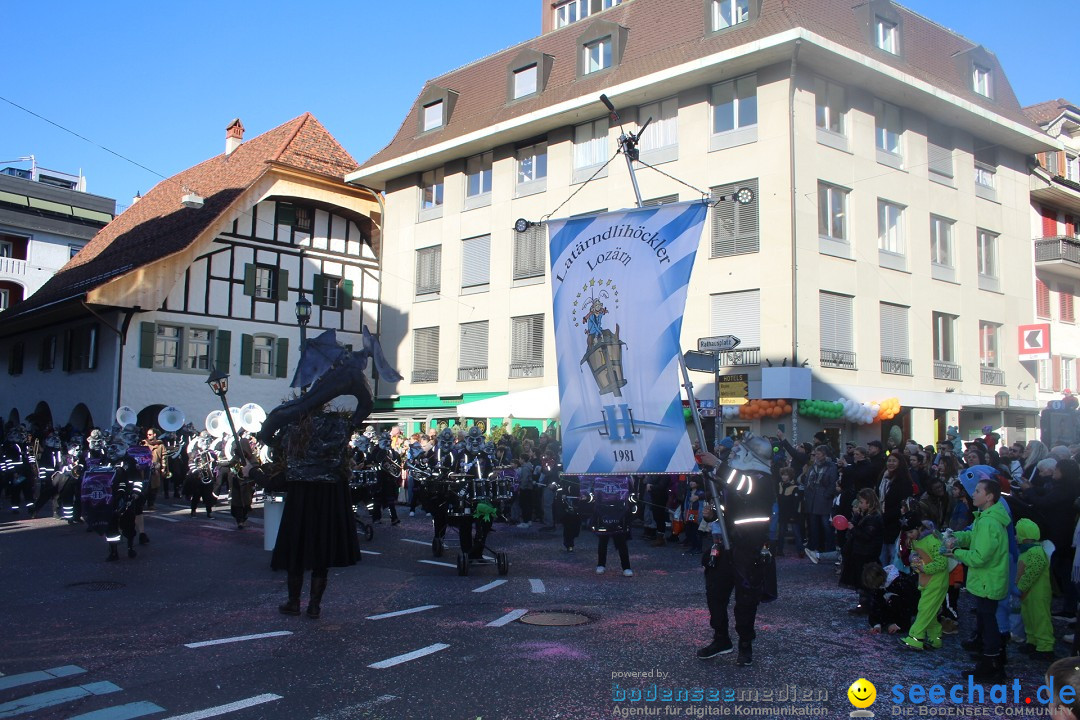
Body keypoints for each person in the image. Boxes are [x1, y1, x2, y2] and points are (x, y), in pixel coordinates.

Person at [696, 432, 777, 667]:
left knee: (746, 599)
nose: (734, 453)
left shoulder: (762, 479)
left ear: (752, 455)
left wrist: (718, 465)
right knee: (715, 593)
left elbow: (745, 488)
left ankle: (745, 644)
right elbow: (730, 503)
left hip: (749, 547)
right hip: (726, 544)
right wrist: (714, 512)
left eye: (739, 450)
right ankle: (721, 639)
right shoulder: (736, 477)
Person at [272, 413, 361, 619]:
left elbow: (275, 481)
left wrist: (252, 472)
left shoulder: (299, 460)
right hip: (325, 514)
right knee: (321, 557)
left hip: (300, 512)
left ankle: (294, 602)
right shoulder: (335, 464)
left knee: (296, 555)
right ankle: (314, 606)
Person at [944, 476, 1010, 682]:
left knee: (988, 619)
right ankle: (989, 657)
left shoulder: (990, 522)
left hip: (988, 579)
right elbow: (974, 537)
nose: (973, 494)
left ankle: (992, 664)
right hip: (986, 579)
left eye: (978, 491)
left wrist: (955, 552)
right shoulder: (985, 517)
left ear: (989, 497)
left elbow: (980, 556)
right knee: (984, 617)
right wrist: (958, 538)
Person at [900, 513, 949, 651]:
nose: (909, 535)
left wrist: (924, 568)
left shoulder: (933, 540)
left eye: (911, 532)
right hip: (926, 580)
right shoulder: (916, 541)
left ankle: (915, 637)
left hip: (937, 581)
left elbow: (942, 562)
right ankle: (935, 638)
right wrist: (914, 559)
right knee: (930, 611)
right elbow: (917, 555)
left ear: (919, 528)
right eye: (907, 533)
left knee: (925, 609)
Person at [1015, 518, 1055, 660]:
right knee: (1028, 616)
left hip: (1038, 593)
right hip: (1028, 593)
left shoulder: (1036, 551)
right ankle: (1032, 641)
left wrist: (1021, 586)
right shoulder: (1027, 550)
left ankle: (1045, 646)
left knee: (1040, 618)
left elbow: (1033, 572)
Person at [841, 488, 884, 612]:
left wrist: (853, 528)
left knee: (866, 580)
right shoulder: (866, 515)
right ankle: (864, 604)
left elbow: (867, 536)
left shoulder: (874, 518)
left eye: (861, 502)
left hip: (867, 553)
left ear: (869, 502)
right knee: (862, 579)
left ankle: (867, 605)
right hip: (862, 552)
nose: (859, 504)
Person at [803, 445, 838, 563]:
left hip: (824, 501)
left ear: (824, 454)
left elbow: (832, 483)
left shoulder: (831, 467)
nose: (816, 456)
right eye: (815, 454)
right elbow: (807, 480)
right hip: (812, 499)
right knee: (813, 526)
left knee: (826, 526)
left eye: (818, 453)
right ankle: (814, 548)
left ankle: (829, 550)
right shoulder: (813, 467)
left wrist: (826, 495)